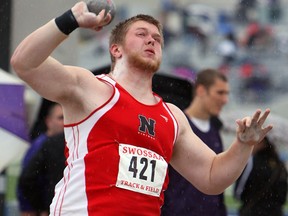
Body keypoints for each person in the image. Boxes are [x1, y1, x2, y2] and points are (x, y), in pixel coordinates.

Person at [10, 2, 272, 215]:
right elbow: (25, 63)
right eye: (141, 34)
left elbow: (212, 177)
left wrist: (242, 144)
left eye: (157, 38)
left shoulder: (172, 117)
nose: (152, 41)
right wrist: (71, 19)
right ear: (116, 49)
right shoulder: (91, 88)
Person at [162, 69, 229, 216]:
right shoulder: (176, 125)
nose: (225, 100)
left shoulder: (215, 130)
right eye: (220, 93)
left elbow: (218, 182)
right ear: (201, 90)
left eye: (226, 94)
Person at [17, 102, 64, 216]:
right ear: (48, 121)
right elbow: (27, 179)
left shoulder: (56, 144)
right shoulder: (41, 145)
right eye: (61, 118)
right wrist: (40, 208)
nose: (65, 122)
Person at [234, 136, 288, 216]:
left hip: (252, 212)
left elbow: (238, 192)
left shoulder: (251, 162)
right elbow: (282, 196)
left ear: (261, 142)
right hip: (276, 212)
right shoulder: (280, 165)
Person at [19, 132, 66, 216]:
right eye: (60, 118)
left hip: (54, 204)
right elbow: (27, 178)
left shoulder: (51, 143)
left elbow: (27, 177)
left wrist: (40, 207)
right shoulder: (47, 143)